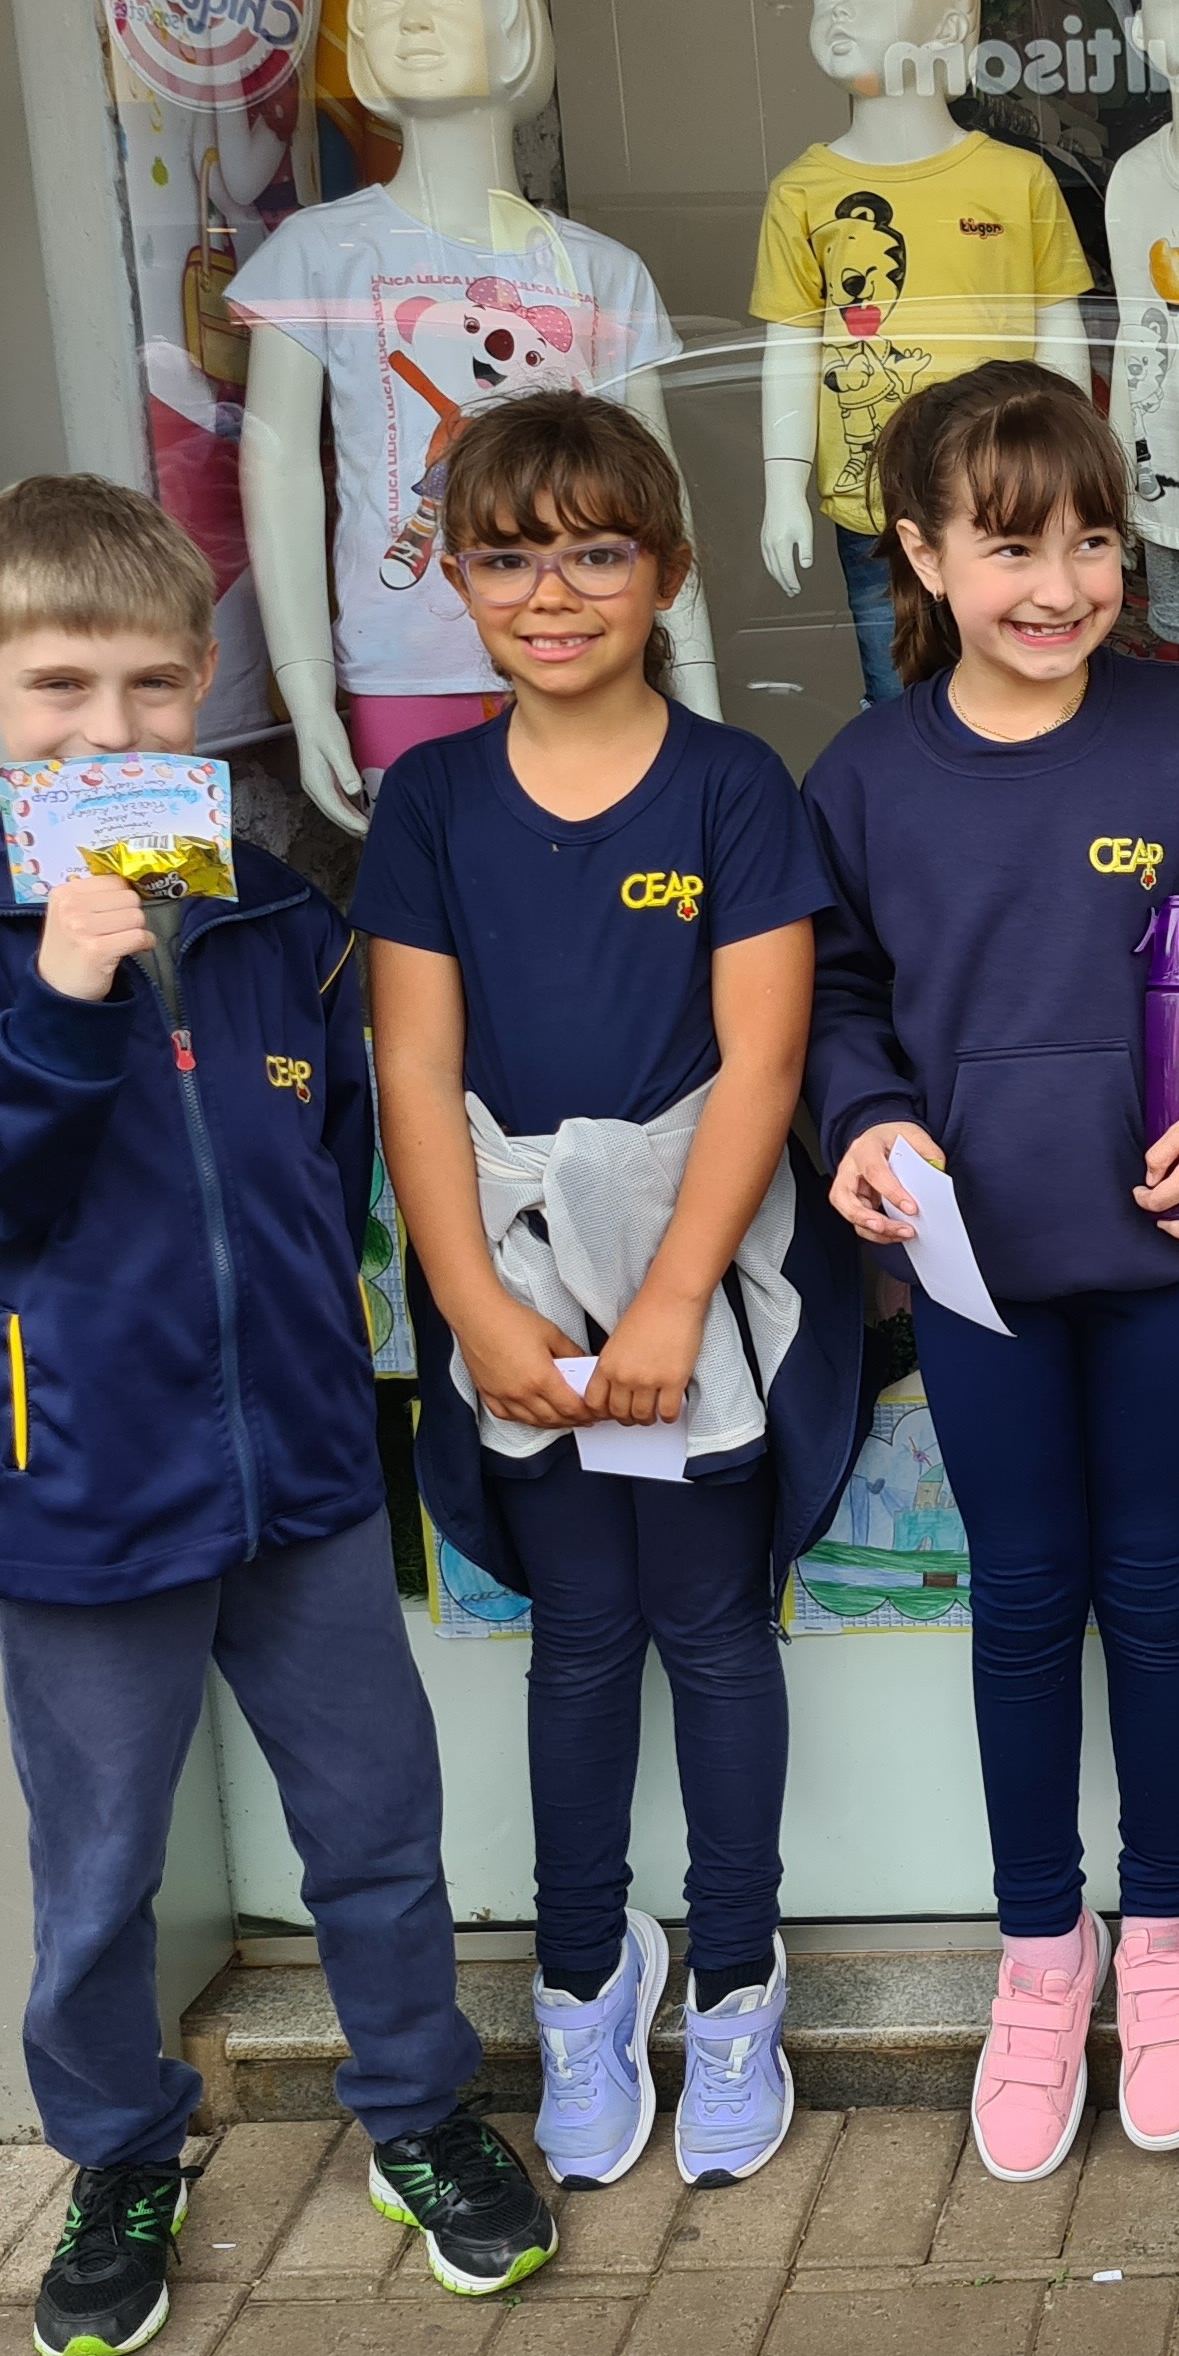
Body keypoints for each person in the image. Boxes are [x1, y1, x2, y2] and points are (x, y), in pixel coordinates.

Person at [0, 477, 553, 2356]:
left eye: (154, 686)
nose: (113, 730)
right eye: (60, 686)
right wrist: (67, 996)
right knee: (100, 1872)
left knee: (377, 1824)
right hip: (75, 1491)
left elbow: (331, 1167)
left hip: (300, 1471)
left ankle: (417, 2111)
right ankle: (117, 2151)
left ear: (202, 685)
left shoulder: (278, 917)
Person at [806, 360, 1179, 2182]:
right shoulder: (865, 775)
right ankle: (1044, 1947)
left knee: (1156, 1584)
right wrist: (865, 1116)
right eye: (1011, 547)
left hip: (1171, 1242)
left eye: (1093, 542)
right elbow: (834, 996)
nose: (1060, 585)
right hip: (976, 1266)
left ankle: (1168, 1927)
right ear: (920, 556)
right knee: (1025, 1597)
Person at [354, 393, 847, 2197]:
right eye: (508, 558)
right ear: (457, 579)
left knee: (711, 1632)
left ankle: (737, 1981)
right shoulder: (429, 801)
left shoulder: (732, 787)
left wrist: (671, 1302)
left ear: (669, 570)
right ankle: (582, 1976)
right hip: (516, 1292)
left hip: (694, 1284)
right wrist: (477, 1312)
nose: (550, 593)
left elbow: (763, 1061)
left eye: (594, 552)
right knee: (579, 1639)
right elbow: (416, 1071)